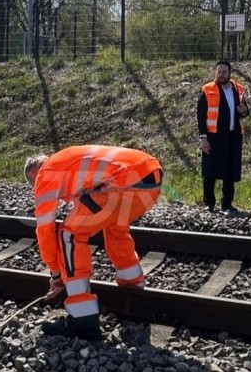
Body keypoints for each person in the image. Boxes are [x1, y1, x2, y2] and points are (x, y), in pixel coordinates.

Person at [24, 145, 163, 340]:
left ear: (33, 174)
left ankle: (83, 320)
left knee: (70, 235)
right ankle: (133, 292)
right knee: (115, 228)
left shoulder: (46, 173)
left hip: (122, 184)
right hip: (150, 181)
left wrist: (56, 272)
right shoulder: (70, 165)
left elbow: (45, 230)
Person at [197, 60, 249, 212]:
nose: (221, 75)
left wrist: (244, 111)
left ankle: (227, 203)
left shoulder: (238, 89)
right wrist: (203, 138)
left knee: (230, 170)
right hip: (213, 137)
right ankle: (209, 203)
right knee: (210, 171)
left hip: (233, 136)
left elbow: (244, 110)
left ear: (230, 73)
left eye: (224, 72)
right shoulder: (208, 90)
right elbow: (201, 116)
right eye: (219, 72)